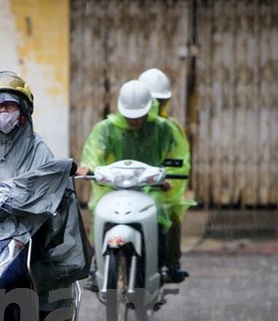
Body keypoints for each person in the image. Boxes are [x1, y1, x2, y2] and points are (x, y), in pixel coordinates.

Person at [0, 71, 89, 321]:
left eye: (9, 106)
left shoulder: (38, 149)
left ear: (23, 112)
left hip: (26, 234)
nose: (2, 112)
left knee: (44, 273)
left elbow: (47, 192)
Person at [76, 79, 182, 287]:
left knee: (161, 211)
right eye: (130, 116)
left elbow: (178, 155)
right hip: (114, 186)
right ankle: (98, 266)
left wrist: (168, 175)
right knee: (100, 214)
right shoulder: (106, 128)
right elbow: (94, 151)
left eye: (139, 116)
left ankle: (162, 265)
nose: (134, 121)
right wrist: (88, 167)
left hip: (151, 187)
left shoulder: (162, 128)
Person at [138, 67, 196, 282]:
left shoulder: (170, 129)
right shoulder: (125, 125)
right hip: (128, 184)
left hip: (158, 187)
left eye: (160, 102)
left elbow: (180, 162)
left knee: (170, 213)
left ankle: (170, 263)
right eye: (153, 101)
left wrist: (167, 178)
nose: (156, 107)